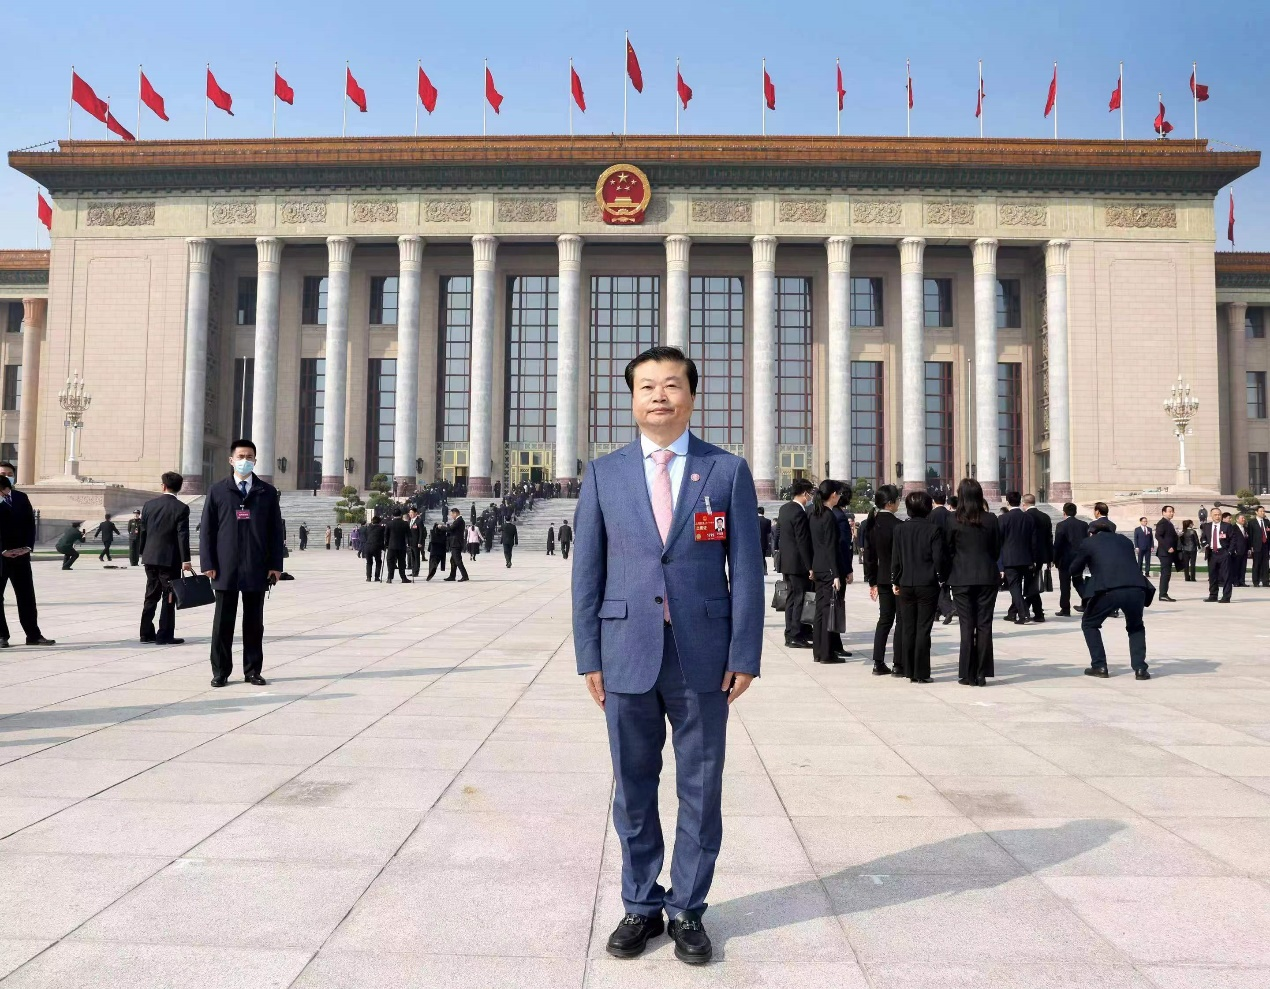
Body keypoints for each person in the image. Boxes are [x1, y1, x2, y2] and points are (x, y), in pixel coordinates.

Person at [573, 345, 762, 966]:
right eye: (647, 386)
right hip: (625, 651)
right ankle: (640, 903)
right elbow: (587, 573)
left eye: (672, 384)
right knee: (633, 786)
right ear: (632, 400)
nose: (660, 395)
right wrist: (589, 655)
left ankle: (687, 908)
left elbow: (748, 571)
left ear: (691, 396)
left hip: (702, 655)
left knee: (701, 787)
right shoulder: (605, 474)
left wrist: (745, 652)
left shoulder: (725, 471)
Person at [199, 439, 285, 688]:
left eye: (249, 457)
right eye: (240, 456)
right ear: (231, 460)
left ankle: (253, 670)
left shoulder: (267, 492)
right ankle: (220, 671)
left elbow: (275, 531)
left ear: (255, 461)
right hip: (224, 565)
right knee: (222, 622)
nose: (245, 460)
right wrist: (208, 562)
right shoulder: (218, 490)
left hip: (256, 565)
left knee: (254, 622)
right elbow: (207, 530)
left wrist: (275, 565)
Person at [1067, 510, 1154, 680]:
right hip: (1137, 588)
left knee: (1089, 623)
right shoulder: (1125, 541)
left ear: (1092, 532)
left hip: (1109, 589)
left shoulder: (1089, 542)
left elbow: (1074, 569)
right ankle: (1140, 669)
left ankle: (1099, 666)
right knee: (1136, 626)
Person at [944, 478, 1000, 686]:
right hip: (987, 575)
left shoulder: (953, 519)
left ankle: (967, 673)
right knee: (984, 625)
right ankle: (981, 673)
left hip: (961, 577)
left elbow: (948, 549)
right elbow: (996, 549)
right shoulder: (991, 519)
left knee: (966, 625)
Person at [891, 489, 947, 684]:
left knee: (908, 627)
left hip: (906, 583)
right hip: (927, 584)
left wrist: (894, 580)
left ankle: (908, 668)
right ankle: (921, 672)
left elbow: (896, 558)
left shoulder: (900, 529)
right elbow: (938, 558)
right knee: (923, 628)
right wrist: (941, 578)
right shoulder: (933, 530)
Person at [0, 468, 55, 648]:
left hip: (20, 556)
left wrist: (27, 547)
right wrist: (2, 550)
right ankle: (2, 635)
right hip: (1, 556)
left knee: (26, 596)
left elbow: (30, 524)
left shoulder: (21, 498)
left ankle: (33, 635)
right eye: (3, 474)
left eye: (9, 474)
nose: (6, 477)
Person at [138, 471, 194, 645]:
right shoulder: (181, 508)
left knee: (151, 594)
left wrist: (142, 551)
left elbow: (143, 531)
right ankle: (165, 634)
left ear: (163, 486)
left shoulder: (148, 505)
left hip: (150, 556)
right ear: (179, 487)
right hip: (169, 559)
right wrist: (186, 560)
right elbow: (182, 535)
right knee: (169, 596)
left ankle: (146, 633)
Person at [862, 485, 903, 676]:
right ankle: (898, 663)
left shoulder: (871, 524)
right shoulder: (898, 525)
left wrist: (872, 582)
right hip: (898, 579)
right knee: (900, 620)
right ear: (890, 503)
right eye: (898, 500)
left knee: (885, 620)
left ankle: (878, 662)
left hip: (882, 578)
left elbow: (869, 557)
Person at [807, 480, 843, 664]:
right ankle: (827, 653)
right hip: (828, 568)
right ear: (833, 495)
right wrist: (836, 574)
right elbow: (830, 547)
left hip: (818, 566)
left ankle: (818, 652)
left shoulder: (814, 514)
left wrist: (811, 566)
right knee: (828, 610)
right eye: (839, 493)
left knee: (820, 611)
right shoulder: (829, 516)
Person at [777, 479, 815, 649]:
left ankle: (790, 633)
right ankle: (795, 635)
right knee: (799, 598)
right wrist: (809, 566)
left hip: (787, 562)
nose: (811, 497)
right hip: (798, 564)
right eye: (810, 493)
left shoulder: (784, 508)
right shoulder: (799, 512)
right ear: (805, 493)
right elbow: (802, 541)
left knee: (791, 599)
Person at [999, 491, 1035, 625]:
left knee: (1014, 587)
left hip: (1010, 559)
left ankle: (1023, 614)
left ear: (1007, 502)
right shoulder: (1028, 518)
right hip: (1026, 557)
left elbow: (998, 541)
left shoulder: (1003, 519)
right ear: (1020, 501)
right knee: (1018, 587)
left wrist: (999, 563)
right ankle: (1013, 613)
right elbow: (1033, 540)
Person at [828, 493, 855, 659]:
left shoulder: (825, 513)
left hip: (824, 567)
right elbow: (844, 546)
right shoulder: (840, 517)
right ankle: (835, 644)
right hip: (838, 568)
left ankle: (829, 643)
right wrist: (848, 569)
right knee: (836, 605)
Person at [1052, 502, 1088, 616]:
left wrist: (1054, 559)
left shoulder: (1061, 525)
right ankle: (1088, 602)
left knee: (1064, 585)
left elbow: (1058, 544)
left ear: (1064, 513)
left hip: (1065, 559)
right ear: (1075, 512)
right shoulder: (1084, 525)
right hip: (1079, 559)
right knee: (1078, 581)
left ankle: (1065, 608)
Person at [1022, 494, 1053, 621]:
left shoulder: (1025, 517)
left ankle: (1030, 610)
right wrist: (1050, 558)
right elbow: (1049, 538)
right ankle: (1033, 611)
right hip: (1041, 556)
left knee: (1031, 584)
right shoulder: (1045, 516)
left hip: (1028, 555)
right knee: (1032, 583)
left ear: (1024, 504)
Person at [928, 490, 954, 625]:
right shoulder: (950, 515)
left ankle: (947, 609)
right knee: (945, 582)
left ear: (933, 501)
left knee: (936, 583)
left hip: (934, 553)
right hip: (949, 554)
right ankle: (937, 612)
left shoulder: (930, 516)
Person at [1202, 512, 1237, 603]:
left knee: (1226, 575)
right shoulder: (1207, 526)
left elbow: (1233, 539)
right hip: (1212, 553)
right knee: (1212, 575)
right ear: (1211, 515)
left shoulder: (1227, 526)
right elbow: (1203, 537)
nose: (1217, 516)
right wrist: (1204, 543)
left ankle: (1226, 596)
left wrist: (1229, 551)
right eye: (1215, 515)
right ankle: (1213, 595)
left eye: (1219, 515)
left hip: (1224, 553)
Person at [1154, 505, 1178, 602]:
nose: (1171, 513)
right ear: (1163, 512)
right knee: (1165, 573)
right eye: (1169, 511)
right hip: (1165, 552)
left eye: (1172, 511)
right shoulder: (1162, 523)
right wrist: (1167, 547)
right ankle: (1163, 594)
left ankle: (1164, 594)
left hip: (1169, 552)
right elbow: (1158, 536)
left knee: (1167, 573)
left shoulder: (1169, 523)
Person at [385, 507, 412, 584]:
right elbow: (409, 535)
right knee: (401, 562)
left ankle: (389, 578)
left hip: (391, 546)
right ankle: (403, 578)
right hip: (401, 546)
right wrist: (409, 544)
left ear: (393, 515)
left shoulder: (389, 523)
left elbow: (386, 535)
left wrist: (386, 544)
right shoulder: (405, 523)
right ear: (401, 515)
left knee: (390, 561)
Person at [444, 508, 470, 581]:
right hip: (455, 543)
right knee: (453, 560)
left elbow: (451, 529)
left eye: (452, 514)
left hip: (456, 543)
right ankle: (452, 576)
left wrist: (442, 527)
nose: (451, 516)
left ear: (455, 513)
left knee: (458, 560)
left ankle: (465, 576)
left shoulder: (459, 521)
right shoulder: (458, 520)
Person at [1251, 505, 1270, 587]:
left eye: (1263, 511)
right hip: (1256, 546)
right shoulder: (1252, 522)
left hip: (1266, 545)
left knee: (1265, 564)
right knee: (1256, 564)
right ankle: (1256, 581)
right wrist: (1251, 547)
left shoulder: (1267, 522)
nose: (1263, 512)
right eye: (1261, 511)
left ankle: (1265, 581)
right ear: (1256, 512)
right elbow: (1250, 535)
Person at [363, 515, 386, 582]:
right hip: (376, 547)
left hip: (368, 546)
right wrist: (384, 547)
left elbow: (366, 536)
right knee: (378, 561)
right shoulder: (381, 528)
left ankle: (368, 577)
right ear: (379, 522)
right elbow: (382, 538)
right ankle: (376, 577)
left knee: (369, 562)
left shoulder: (368, 528)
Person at [407, 507, 424, 576]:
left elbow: (421, 532)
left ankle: (416, 571)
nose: (410, 514)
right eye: (410, 513)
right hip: (410, 542)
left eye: (412, 512)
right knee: (412, 557)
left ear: (416, 513)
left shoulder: (419, 521)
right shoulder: (409, 521)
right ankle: (413, 570)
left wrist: (420, 542)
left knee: (416, 557)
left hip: (416, 542)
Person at [756, 506, 773, 574]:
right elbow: (769, 532)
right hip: (764, 542)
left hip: (756, 542)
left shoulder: (755, 520)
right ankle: (764, 570)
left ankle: (758, 570)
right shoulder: (768, 521)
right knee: (763, 557)